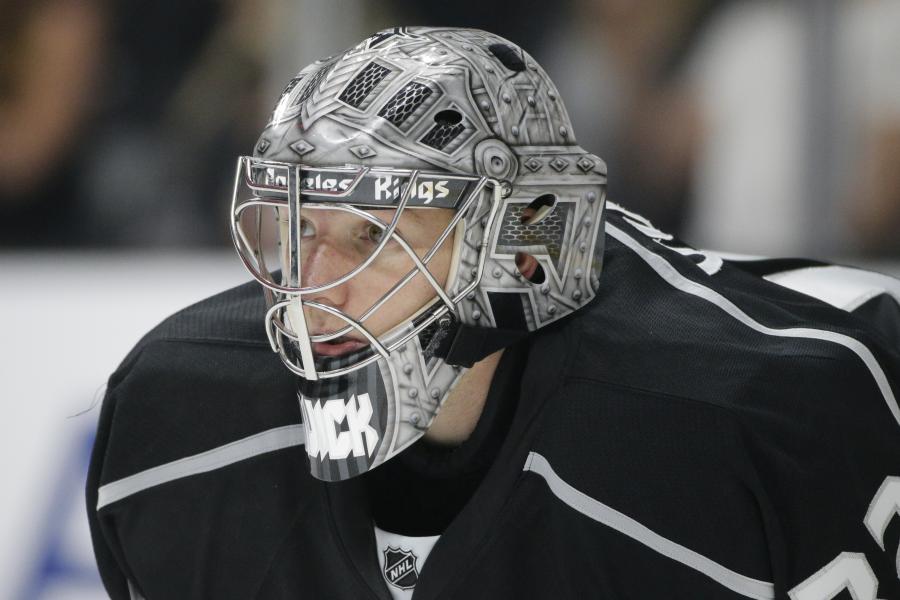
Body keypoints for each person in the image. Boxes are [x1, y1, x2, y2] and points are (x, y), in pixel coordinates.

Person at [87, 27, 900, 599]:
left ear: (522, 242)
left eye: (373, 231)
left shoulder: (749, 426)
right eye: (298, 226)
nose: (312, 283)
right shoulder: (175, 418)